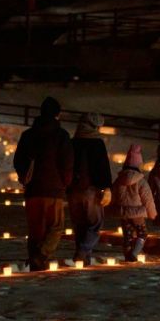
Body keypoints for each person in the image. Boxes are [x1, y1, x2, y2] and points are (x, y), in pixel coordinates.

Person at [12, 96, 74, 271]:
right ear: (57, 114)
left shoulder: (28, 135)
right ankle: (41, 256)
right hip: (53, 190)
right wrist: (65, 183)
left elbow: (18, 160)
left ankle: (35, 263)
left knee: (36, 229)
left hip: (32, 190)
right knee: (55, 227)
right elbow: (67, 163)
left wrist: (24, 176)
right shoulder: (61, 136)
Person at [67, 112, 112, 265]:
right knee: (94, 223)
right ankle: (83, 251)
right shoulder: (97, 143)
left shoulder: (73, 143)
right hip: (91, 190)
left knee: (80, 225)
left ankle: (84, 259)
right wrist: (106, 187)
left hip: (73, 190)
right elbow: (103, 167)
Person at [110, 144, 156, 261]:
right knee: (142, 234)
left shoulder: (118, 180)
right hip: (137, 213)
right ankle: (134, 254)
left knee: (128, 235)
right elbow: (148, 199)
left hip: (123, 213)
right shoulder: (141, 182)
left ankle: (127, 254)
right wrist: (152, 214)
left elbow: (112, 195)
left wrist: (110, 209)